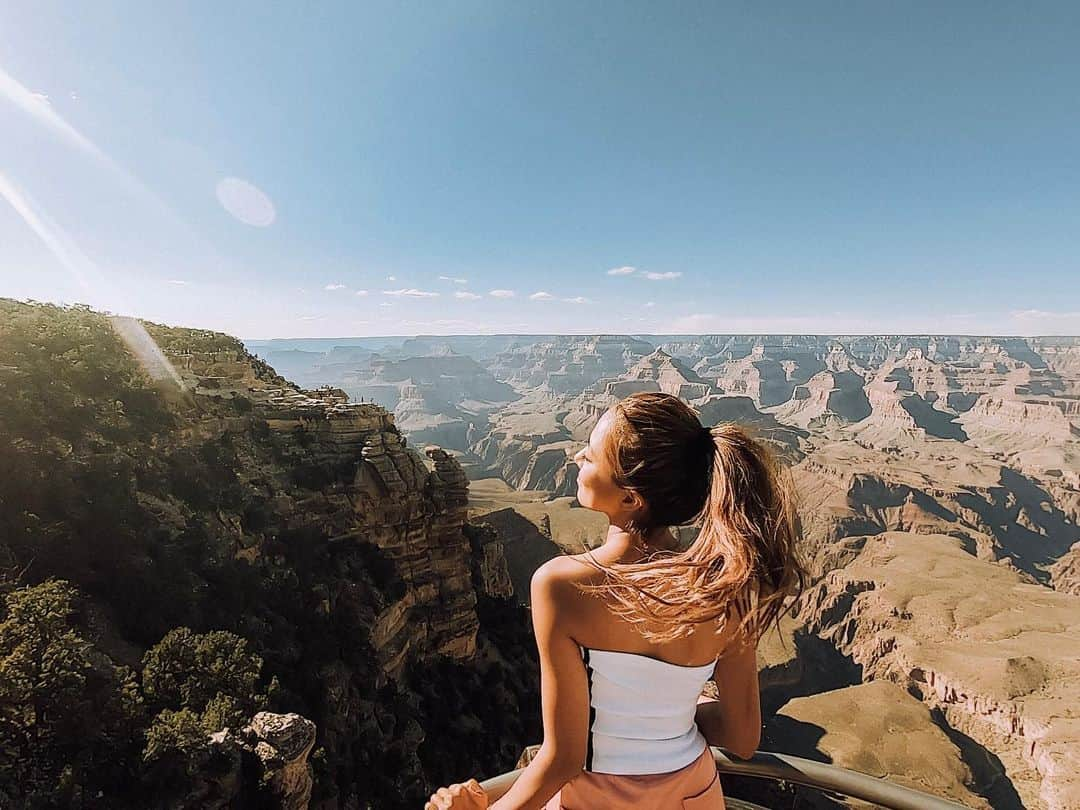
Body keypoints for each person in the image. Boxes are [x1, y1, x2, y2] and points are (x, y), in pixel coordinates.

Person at [425, 392, 804, 810]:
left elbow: (563, 760)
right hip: (694, 796)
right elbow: (741, 737)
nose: (575, 457)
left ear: (630, 499)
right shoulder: (725, 586)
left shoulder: (562, 586)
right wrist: (672, 706)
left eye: (590, 457)